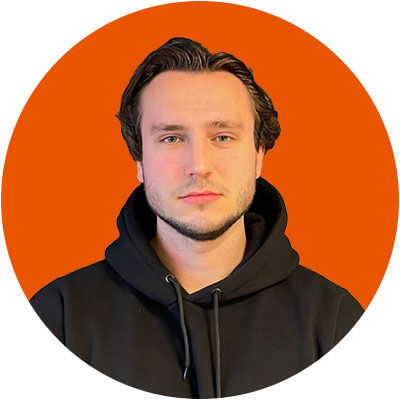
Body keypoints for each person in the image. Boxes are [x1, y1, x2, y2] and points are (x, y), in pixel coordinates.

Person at [30, 37, 364, 398]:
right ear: (139, 160)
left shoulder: (334, 322)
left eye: (222, 136)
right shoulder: (57, 318)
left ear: (258, 156)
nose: (199, 166)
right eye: (172, 138)